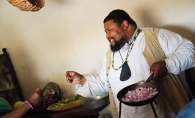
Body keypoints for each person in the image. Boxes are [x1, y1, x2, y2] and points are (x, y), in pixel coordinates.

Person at [65, 9, 195, 118]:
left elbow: (190, 50)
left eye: (109, 30)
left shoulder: (155, 37)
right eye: (106, 32)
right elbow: (103, 83)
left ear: (125, 24)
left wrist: (167, 64)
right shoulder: (110, 56)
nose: (107, 36)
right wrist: (81, 79)